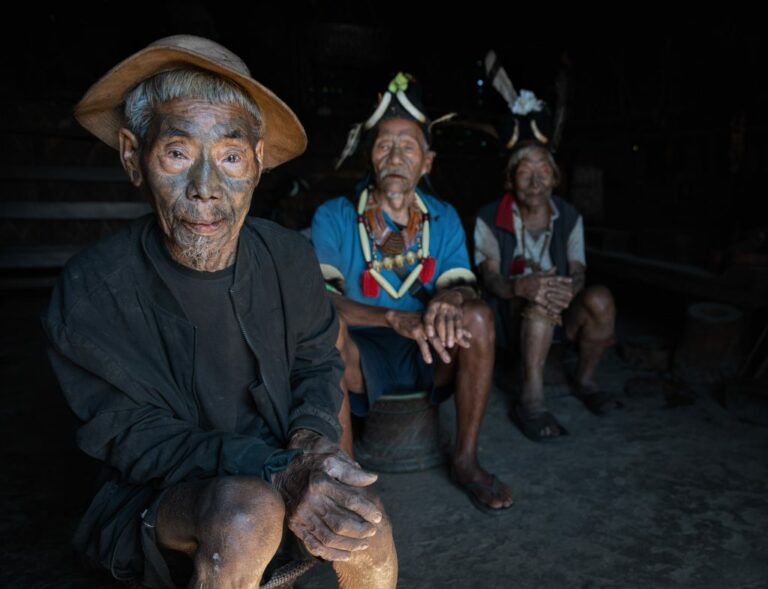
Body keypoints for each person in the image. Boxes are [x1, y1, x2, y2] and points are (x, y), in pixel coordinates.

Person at [42, 35, 397, 589]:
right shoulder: (92, 289)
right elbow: (139, 440)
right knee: (243, 513)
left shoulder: (288, 256)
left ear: (256, 165)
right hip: (159, 498)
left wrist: (308, 445)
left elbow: (316, 364)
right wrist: (275, 471)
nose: (205, 188)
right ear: (134, 158)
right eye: (177, 154)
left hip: (281, 467)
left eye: (230, 157)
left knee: (367, 525)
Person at [311, 73, 514, 514]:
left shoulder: (441, 217)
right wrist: (389, 318)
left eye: (408, 146)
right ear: (371, 155)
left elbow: (462, 284)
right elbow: (321, 300)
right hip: (360, 353)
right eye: (384, 144)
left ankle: (465, 460)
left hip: (431, 348)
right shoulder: (335, 216)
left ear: (427, 162)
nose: (395, 155)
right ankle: (347, 478)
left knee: (478, 316)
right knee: (322, 332)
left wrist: (451, 299)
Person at [475, 89, 617, 442]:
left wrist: (570, 289)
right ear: (510, 180)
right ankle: (532, 401)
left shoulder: (569, 217)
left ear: (555, 179)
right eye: (525, 171)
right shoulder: (489, 217)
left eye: (544, 171)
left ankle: (585, 380)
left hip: (561, 312)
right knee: (537, 295)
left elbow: (578, 268)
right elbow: (489, 276)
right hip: (510, 319)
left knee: (600, 299)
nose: (535, 181)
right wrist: (520, 287)